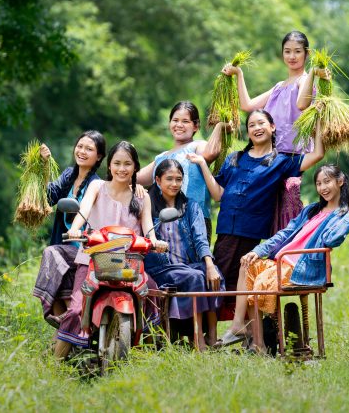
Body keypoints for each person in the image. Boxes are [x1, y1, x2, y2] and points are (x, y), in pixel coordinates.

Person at [217, 164, 349, 352]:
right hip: (282, 261)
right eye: (318, 183)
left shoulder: (341, 216)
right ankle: (249, 336)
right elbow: (284, 234)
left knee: (261, 280)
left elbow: (331, 240)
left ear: (340, 182)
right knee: (247, 265)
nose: (323, 188)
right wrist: (257, 251)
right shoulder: (311, 211)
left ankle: (257, 340)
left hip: (302, 268)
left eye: (327, 182)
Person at [187, 109, 325, 319]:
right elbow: (218, 194)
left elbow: (317, 155)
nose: (256, 128)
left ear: (272, 127)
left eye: (261, 123)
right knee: (220, 277)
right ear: (248, 132)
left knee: (240, 278)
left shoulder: (282, 161)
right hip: (226, 227)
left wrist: (317, 123)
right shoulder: (235, 158)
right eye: (251, 125)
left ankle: (243, 330)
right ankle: (227, 330)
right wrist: (203, 165)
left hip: (251, 231)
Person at [57, 141, 167, 359]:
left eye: (127, 164)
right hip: (94, 259)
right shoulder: (97, 187)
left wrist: (155, 241)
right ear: (109, 166)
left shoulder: (141, 195)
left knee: (154, 296)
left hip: (128, 263)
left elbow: (148, 227)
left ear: (135, 167)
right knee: (77, 308)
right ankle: (55, 363)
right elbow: (83, 211)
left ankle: (150, 353)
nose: (122, 169)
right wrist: (76, 230)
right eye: (117, 163)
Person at [222, 31, 331, 233]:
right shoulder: (280, 86)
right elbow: (247, 105)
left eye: (297, 51)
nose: (292, 56)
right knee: (266, 209)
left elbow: (301, 103)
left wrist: (314, 73)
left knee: (287, 205)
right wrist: (239, 74)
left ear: (306, 54)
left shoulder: (304, 81)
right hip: (271, 156)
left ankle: (289, 251)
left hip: (291, 156)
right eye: (287, 51)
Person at [146, 159, 225, 350]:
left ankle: (213, 337)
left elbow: (200, 238)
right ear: (158, 180)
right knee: (195, 277)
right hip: (161, 267)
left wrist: (209, 264)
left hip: (188, 264)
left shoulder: (191, 207)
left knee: (215, 276)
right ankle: (197, 339)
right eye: (169, 179)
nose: (174, 184)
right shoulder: (148, 206)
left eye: (178, 179)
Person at [32, 130, 105, 332]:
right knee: (54, 266)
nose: (82, 151)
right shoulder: (68, 175)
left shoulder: (97, 184)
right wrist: (45, 165)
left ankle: (68, 328)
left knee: (53, 257)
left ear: (98, 156)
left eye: (89, 149)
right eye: (80, 146)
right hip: (63, 244)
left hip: (83, 249)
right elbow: (50, 197)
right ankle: (64, 327)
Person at [137, 101, 231, 242]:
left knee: (194, 264)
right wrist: (129, 157)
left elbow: (211, 153)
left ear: (196, 126)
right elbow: (135, 177)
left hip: (193, 220)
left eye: (185, 121)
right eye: (175, 120)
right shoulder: (161, 157)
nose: (179, 125)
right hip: (161, 221)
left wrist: (219, 127)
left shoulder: (197, 146)